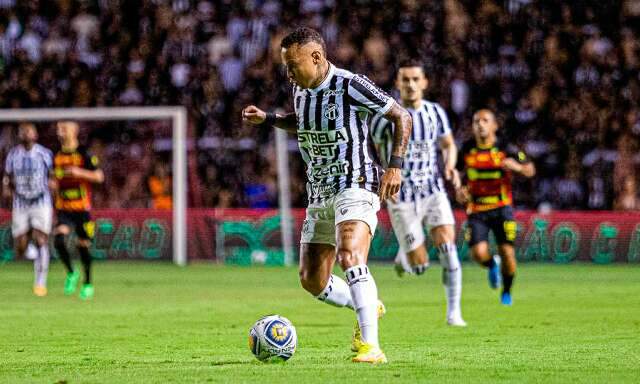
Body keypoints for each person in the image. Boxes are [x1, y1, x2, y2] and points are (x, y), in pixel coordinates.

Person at [242, 27, 412, 364]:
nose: (288, 73)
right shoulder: (300, 89)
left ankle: (371, 347)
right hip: (319, 190)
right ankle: (367, 305)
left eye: (293, 65)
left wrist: (395, 166)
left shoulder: (350, 84)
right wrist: (269, 119)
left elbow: (400, 116)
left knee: (350, 255)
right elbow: (304, 122)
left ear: (317, 57)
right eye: (286, 67)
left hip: (356, 181)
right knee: (312, 280)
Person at [370, 59, 466, 326]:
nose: (411, 85)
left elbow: (448, 144)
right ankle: (405, 257)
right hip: (402, 197)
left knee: (447, 247)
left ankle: (453, 313)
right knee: (420, 266)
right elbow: (378, 151)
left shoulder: (435, 112)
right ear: (398, 84)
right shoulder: (384, 117)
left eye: (415, 79)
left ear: (424, 83)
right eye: (405, 80)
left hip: (433, 190)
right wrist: (384, 177)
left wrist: (450, 164)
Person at [456, 109, 535, 306]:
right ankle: (492, 264)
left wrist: (517, 167)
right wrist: (459, 189)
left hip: (502, 208)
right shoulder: (466, 148)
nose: (480, 124)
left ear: (494, 126)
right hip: (477, 209)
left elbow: (530, 170)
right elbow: (455, 173)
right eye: (476, 121)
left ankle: (506, 291)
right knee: (478, 253)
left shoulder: (505, 147)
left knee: (508, 253)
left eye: (485, 120)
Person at [53, 121, 104, 300]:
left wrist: (79, 173)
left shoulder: (84, 153)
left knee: (83, 247)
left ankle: (88, 283)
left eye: (63, 129)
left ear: (74, 131)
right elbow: (53, 177)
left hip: (82, 208)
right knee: (59, 240)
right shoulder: (55, 154)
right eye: (58, 129)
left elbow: (99, 176)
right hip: (63, 208)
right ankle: (71, 272)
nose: (60, 132)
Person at [2, 123, 54, 296]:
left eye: (30, 131)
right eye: (23, 132)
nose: (26, 134)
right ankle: (31, 250)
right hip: (21, 202)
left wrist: (55, 197)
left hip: (41, 200)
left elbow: (53, 177)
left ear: (36, 134)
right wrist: (6, 189)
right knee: (21, 246)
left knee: (41, 239)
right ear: (19, 135)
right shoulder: (13, 155)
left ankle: (40, 282)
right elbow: (7, 177)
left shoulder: (44, 154)